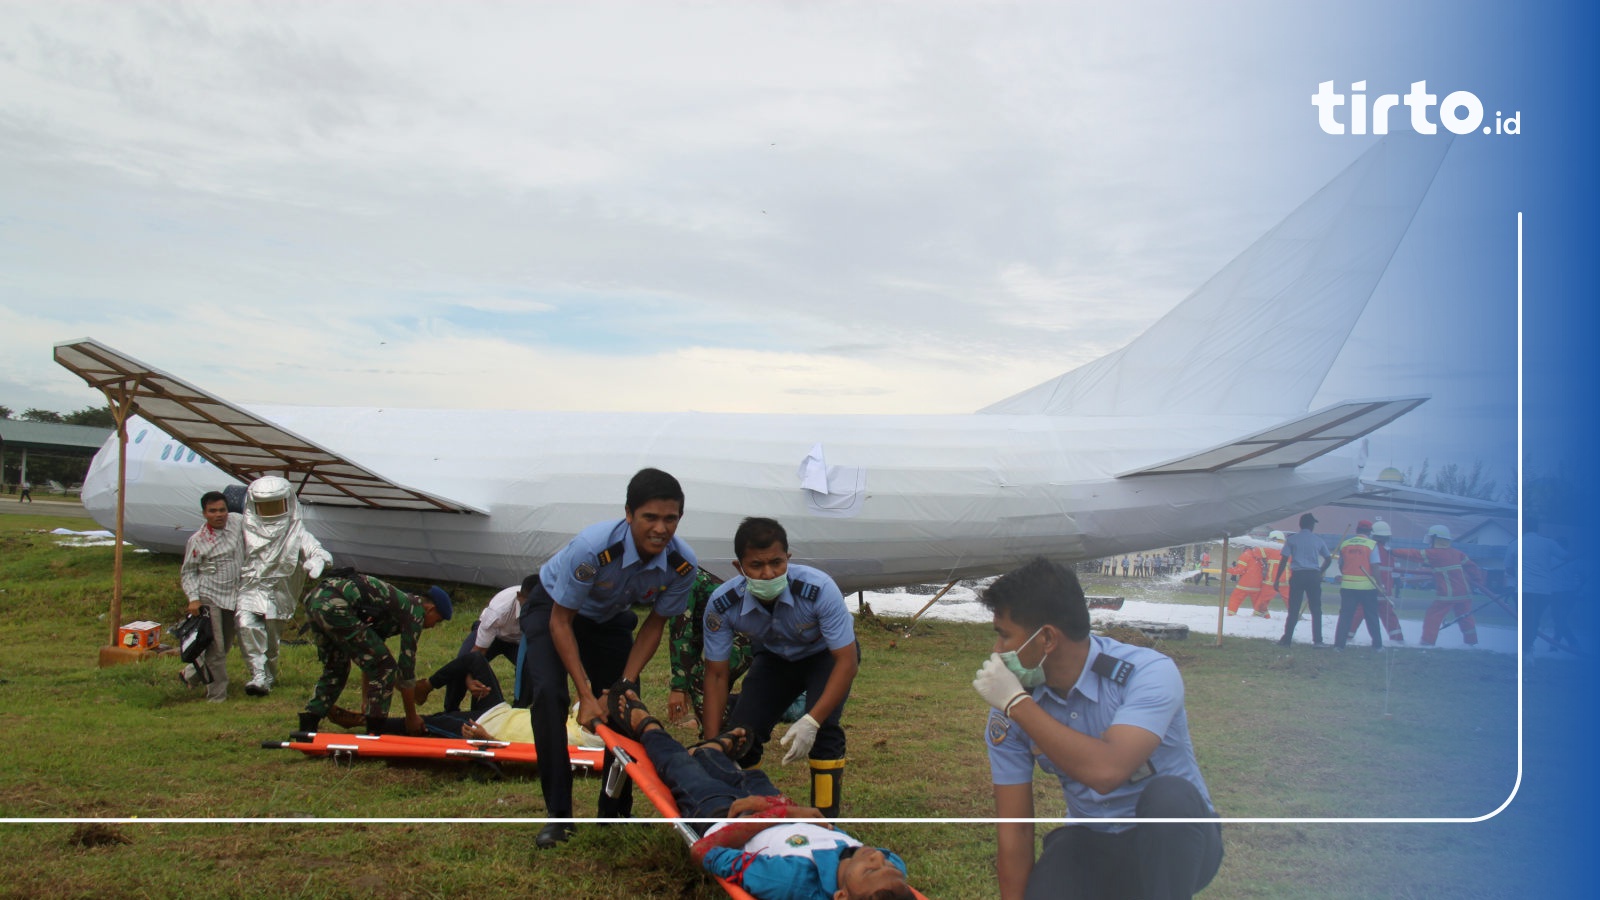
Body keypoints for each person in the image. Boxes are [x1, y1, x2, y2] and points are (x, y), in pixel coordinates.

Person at [973, 558, 1221, 900]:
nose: (997, 651)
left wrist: (1018, 705)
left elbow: (1107, 771)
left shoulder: (1147, 673)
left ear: (1046, 638)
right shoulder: (1014, 705)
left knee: (1170, 799)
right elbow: (1014, 830)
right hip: (1093, 840)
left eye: (1004, 636)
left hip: (1176, 845)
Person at [515, 467, 698, 848]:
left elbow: (654, 625)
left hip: (609, 617)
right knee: (550, 695)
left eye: (671, 519)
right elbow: (561, 622)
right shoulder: (593, 548)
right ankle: (559, 817)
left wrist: (623, 685)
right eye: (650, 517)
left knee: (626, 706)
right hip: (554, 609)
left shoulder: (682, 564)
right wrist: (585, 695)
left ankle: (614, 814)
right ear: (629, 514)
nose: (661, 529)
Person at [604, 688, 913, 900]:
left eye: (871, 868)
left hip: (725, 819)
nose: (877, 856)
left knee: (679, 766)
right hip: (775, 805)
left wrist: (770, 815)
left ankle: (648, 727)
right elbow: (883, 862)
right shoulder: (892, 877)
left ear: (841, 896)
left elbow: (704, 853)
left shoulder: (789, 880)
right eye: (885, 864)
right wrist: (779, 809)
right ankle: (710, 750)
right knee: (748, 776)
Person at [701, 517, 859, 818]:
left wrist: (811, 721)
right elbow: (717, 674)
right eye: (756, 565)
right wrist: (714, 747)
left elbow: (846, 661)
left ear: (789, 558)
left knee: (825, 730)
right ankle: (755, 812)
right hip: (775, 658)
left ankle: (825, 821)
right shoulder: (722, 604)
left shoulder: (819, 588)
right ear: (739, 567)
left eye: (776, 562)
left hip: (825, 656)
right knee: (741, 734)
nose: (768, 573)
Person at [297, 572, 453, 735]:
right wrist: (411, 717)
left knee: (337, 666)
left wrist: (366, 701)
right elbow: (406, 671)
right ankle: (374, 731)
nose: (434, 625)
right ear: (430, 609)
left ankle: (307, 727)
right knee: (386, 668)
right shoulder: (414, 611)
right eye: (438, 619)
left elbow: (369, 658)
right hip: (336, 604)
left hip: (316, 599)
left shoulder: (394, 607)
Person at [235, 475, 333, 696]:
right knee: (246, 624)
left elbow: (320, 551)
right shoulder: (244, 530)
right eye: (264, 506)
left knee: (270, 640)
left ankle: (267, 677)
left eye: (275, 505)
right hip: (251, 588)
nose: (270, 511)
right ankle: (257, 675)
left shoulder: (297, 533)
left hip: (279, 593)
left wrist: (317, 561)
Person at [177, 490, 244, 702]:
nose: (219, 515)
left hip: (233, 596)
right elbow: (188, 572)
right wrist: (193, 598)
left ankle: (189, 674)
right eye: (213, 511)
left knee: (224, 645)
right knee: (215, 650)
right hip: (210, 597)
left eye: (222, 510)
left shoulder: (237, 522)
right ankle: (217, 695)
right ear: (204, 513)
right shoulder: (198, 541)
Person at [668, 567, 753, 731]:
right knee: (709, 677)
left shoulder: (682, 580)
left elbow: (680, 634)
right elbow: (694, 637)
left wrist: (678, 688)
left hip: (745, 633)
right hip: (731, 633)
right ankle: (711, 728)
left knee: (704, 679)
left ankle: (721, 737)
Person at [1392, 525, 1495, 647]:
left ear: (1436, 539)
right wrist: (1478, 581)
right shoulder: (1457, 553)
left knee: (1433, 616)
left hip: (1448, 594)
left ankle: (1427, 642)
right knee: (1465, 618)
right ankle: (1471, 642)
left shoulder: (1435, 553)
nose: (1429, 542)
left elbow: (1414, 554)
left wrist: (1393, 551)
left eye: (1431, 539)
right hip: (1465, 593)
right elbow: (1472, 567)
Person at [441, 576, 529, 712]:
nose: (532, 607)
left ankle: (518, 711)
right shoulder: (499, 611)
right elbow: (478, 652)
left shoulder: (547, 606)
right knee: (462, 663)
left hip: (518, 642)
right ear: (519, 596)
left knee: (531, 668)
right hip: (494, 634)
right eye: (528, 603)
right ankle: (451, 710)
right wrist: (469, 678)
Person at [1504, 515, 1574, 653]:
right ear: (1537, 528)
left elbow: (1509, 568)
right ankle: (1528, 647)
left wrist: (1518, 573)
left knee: (1525, 621)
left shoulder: (1515, 544)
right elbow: (1566, 557)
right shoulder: (1548, 543)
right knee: (1534, 621)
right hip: (1544, 591)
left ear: (1522, 528)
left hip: (1523, 590)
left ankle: (1526, 649)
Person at [1273, 513, 1331, 647]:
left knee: (1294, 609)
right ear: (1311, 525)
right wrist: (1320, 572)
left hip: (1298, 575)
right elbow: (1328, 559)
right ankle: (1318, 640)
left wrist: (1277, 579)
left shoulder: (1292, 540)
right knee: (1316, 609)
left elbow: (1284, 560)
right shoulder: (1318, 540)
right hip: (1313, 576)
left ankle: (1287, 639)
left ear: (1300, 524)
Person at [1347, 520, 1406, 644]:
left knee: (1359, 612)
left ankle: (1348, 636)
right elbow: (1393, 574)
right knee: (1389, 616)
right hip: (1385, 592)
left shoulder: (1369, 548)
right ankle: (1398, 639)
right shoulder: (1389, 552)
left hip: (1370, 590)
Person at [1333, 520, 1383, 650]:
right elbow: (1375, 566)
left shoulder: (1345, 544)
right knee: (1371, 616)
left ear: (1357, 530)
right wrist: (1380, 585)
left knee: (1345, 616)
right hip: (1367, 588)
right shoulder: (1372, 545)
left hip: (1348, 586)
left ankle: (1339, 645)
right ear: (1369, 532)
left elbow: (1341, 565)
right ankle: (1377, 645)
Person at [1224, 532, 1285, 619]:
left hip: (1244, 584)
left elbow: (1240, 570)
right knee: (1258, 603)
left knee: (1235, 598)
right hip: (1257, 585)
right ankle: (1265, 616)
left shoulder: (1246, 555)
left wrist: (1227, 569)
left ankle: (1231, 615)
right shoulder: (1259, 556)